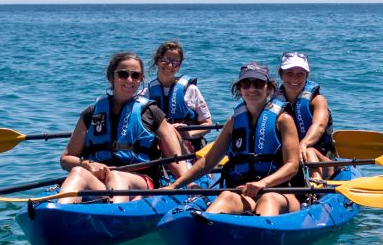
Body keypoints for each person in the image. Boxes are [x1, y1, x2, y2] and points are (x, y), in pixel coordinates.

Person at [169, 62, 301, 216]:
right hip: (245, 194)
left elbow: (293, 166)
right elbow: (208, 161)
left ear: (269, 88)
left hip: (281, 192)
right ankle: (208, 230)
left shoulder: (283, 120)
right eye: (246, 84)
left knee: (268, 199)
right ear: (240, 89)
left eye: (258, 84)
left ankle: (259, 234)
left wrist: (262, 183)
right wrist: (175, 186)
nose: (252, 89)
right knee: (226, 196)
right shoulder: (234, 122)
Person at [58, 52, 189, 204]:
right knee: (77, 172)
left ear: (141, 80)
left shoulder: (152, 113)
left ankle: (114, 217)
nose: (129, 80)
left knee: (117, 175)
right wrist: (87, 164)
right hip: (100, 182)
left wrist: (185, 185)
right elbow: (65, 159)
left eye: (135, 76)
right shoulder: (91, 113)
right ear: (111, 77)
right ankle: (58, 214)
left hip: (140, 182)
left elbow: (175, 160)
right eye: (123, 74)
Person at [274, 51, 335, 179]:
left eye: (300, 74)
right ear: (281, 74)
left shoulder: (317, 100)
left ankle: (316, 186)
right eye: (289, 73)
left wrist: (304, 144)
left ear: (307, 75)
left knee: (309, 152)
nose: (294, 79)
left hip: (320, 157)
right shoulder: (272, 102)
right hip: (289, 158)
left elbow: (319, 126)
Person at [145, 40, 214, 153]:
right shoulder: (146, 94)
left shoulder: (191, 90)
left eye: (175, 62)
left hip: (189, 148)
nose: (170, 65)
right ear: (157, 60)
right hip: (160, 151)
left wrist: (189, 133)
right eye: (165, 60)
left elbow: (207, 124)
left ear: (180, 65)